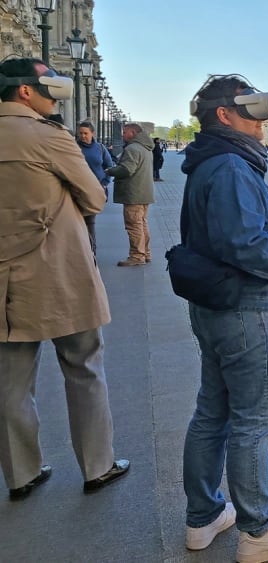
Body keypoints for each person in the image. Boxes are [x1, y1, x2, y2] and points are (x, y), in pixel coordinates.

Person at [178, 74, 268, 561]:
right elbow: (245, 243)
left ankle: (204, 516)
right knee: (253, 422)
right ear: (224, 116)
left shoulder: (206, 161)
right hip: (248, 309)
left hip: (216, 307)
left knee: (212, 412)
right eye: (252, 117)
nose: (262, 126)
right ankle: (259, 531)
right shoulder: (233, 165)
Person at [0, 57, 129, 500]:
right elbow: (94, 198)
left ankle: (21, 473)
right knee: (83, 365)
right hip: (57, 271)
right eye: (47, 88)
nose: (53, 96)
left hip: (3, 279)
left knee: (10, 380)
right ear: (24, 92)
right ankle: (97, 466)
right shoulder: (47, 136)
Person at [105, 122, 155, 266]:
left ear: (133, 133)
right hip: (144, 193)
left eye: (125, 132)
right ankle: (145, 253)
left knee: (133, 225)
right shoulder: (146, 148)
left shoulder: (133, 148)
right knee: (142, 224)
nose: (122, 135)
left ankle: (136, 256)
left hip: (133, 193)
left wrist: (111, 171)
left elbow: (127, 169)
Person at [77, 119, 115, 254]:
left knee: (90, 220)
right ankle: (82, 250)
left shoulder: (100, 148)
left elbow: (109, 166)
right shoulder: (74, 147)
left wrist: (104, 183)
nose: (82, 136)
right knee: (79, 221)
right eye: (80, 133)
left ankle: (91, 250)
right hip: (78, 189)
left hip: (96, 189)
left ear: (92, 133)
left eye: (85, 133)